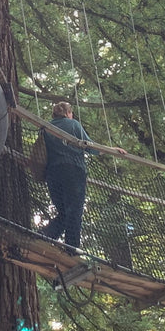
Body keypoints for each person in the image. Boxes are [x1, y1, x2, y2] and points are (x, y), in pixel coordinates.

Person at [41, 101, 125, 251]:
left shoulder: (46, 127)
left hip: (52, 173)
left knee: (64, 213)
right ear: (68, 113)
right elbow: (90, 147)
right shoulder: (73, 124)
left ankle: (43, 237)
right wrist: (112, 150)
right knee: (74, 211)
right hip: (73, 171)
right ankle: (71, 249)